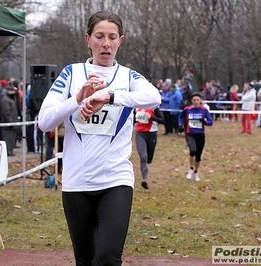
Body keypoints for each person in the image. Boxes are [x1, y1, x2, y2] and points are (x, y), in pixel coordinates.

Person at [38, 11, 161, 266]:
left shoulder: (128, 77)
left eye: (112, 37)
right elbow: (44, 121)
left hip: (115, 179)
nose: (106, 43)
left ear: (120, 41)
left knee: (106, 258)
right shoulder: (71, 74)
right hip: (76, 182)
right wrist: (77, 100)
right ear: (88, 39)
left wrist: (109, 96)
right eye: (99, 36)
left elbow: (154, 97)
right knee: (85, 260)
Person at [178, 92, 213, 182]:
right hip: (190, 133)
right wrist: (180, 125)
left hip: (200, 134)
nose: (196, 102)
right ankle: (190, 169)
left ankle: (196, 172)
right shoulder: (187, 109)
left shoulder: (204, 110)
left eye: (198, 100)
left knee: (198, 156)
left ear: (200, 100)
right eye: (194, 100)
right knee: (192, 150)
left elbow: (210, 121)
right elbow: (180, 117)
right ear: (191, 101)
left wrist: (204, 122)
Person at [135, 107, 164, 189]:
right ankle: (145, 179)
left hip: (151, 134)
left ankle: (145, 176)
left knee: (149, 159)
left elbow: (163, 120)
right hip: (140, 134)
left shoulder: (154, 107)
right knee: (143, 157)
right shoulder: (136, 108)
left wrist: (151, 117)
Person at [0, 84, 18, 156]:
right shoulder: (6, 100)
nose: (13, 92)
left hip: (13, 122)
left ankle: (10, 150)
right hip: (8, 123)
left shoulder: (12, 99)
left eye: (13, 91)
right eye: (11, 91)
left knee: (12, 138)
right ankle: (8, 151)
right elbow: (6, 112)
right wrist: (10, 122)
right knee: (8, 138)